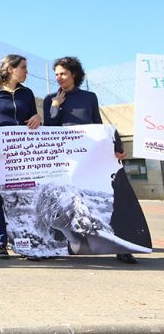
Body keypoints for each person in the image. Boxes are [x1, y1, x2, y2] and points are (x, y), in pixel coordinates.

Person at [44, 56, 137, 265]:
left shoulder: (89, 97)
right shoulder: (51, 97)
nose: (59, 78)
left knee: (103, 200)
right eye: (56, 74)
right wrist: (56, 106)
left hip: (89, 157)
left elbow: (98, 125)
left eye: (63, 73)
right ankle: (57, 245)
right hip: (64, 160)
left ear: (74, 74)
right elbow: (49, 128)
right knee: (62, 202)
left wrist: (115, 147)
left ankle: (121, 247)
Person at [0, 54, 40, 260]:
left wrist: (37, 118)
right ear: (11, 69)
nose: (26, 72)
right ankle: (1, 244)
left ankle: (25, 242)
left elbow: (32, 118)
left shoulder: (27, 93)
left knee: (23, 198)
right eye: (23, 67)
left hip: (21, 154)